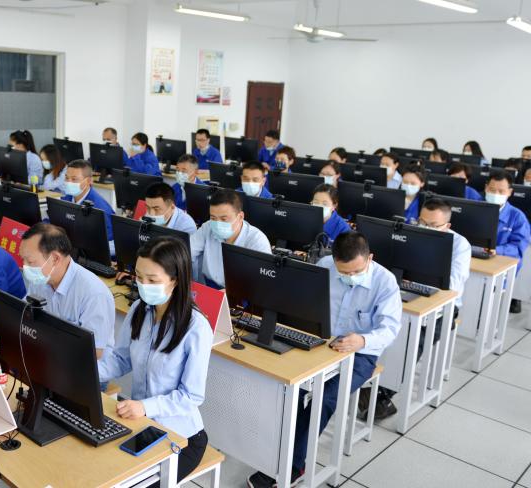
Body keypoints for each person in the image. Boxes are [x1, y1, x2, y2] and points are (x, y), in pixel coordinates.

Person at [247, 232, 401, 488]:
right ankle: (275, 451)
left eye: (356, 271)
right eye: (344, 272)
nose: (350, 277)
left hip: (361, 352)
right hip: (321, 340)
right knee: (288, 387)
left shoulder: (385, 282)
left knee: (325, 397)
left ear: (370, 258)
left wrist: (362, 340)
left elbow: (390, 329)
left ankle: (294, 465)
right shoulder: (325, 265)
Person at [98, 236, 213, 484]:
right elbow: (120, 358)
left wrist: (145, 406)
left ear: (175, 280)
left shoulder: (196, 328)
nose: (143, 285)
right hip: (142, 424)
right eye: (139, 277)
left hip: (181, 436)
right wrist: (87, 372)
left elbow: (191, 396)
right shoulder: (139, 310)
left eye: (152, 280)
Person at [371, 197, 472, 419]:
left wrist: (418, 279)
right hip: (407, 294)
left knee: (415, 337)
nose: (425, 228)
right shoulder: (411, 234)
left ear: (447, 225)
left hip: (444, 308)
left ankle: (384, 393)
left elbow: (453, 285)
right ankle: (366, 377)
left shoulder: (459, 244)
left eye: (433, 225)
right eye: (422, 222)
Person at [0, 223, 115, 359]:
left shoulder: (94, 294)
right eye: (23, 260)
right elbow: (21, 311)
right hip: (47, 355)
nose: (25, 267)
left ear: (55, 259)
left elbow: (94, 352)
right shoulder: (42, 279)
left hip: (85, 367)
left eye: (30, 262)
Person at [190, 188, 271, 289]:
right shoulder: (208, 227)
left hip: (242, 292)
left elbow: (261, 281)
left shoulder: (257, 241)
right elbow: (187, 252)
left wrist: (230, 292)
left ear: (240, 217)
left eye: (224, 219)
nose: (217, 224)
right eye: (213, 218)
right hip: (209, 287)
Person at [484, 170, 531, 313]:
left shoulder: (517, 217)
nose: (496, 194)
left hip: (500, 265)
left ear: (509, 192)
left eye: (501, 191)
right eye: (492, 190)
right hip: (474, 259)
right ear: (486, 188)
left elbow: (517, 248)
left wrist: (497, 250)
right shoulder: (475, 209)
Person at [61, 160, 115, 242]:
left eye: (74, 179)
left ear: (88, 181)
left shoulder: (100, 209)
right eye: (66, 178)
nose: (68, 182)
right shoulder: (66, 198)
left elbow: (109, 242)